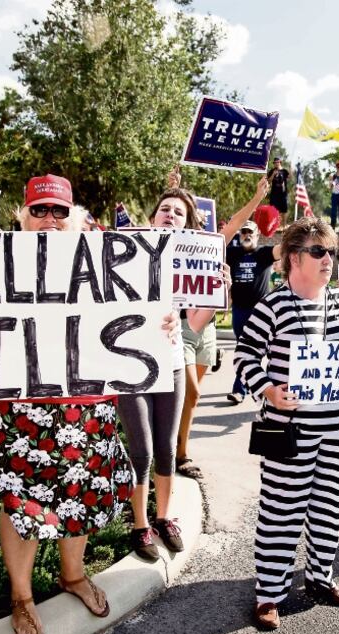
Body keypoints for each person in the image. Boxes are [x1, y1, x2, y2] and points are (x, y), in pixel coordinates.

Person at [0, 175, 151, 634]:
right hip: (19, 410)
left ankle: (72, 575)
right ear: (21, 217)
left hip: (84, 406)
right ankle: (22, 596)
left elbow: (133, 321)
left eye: (60, 212)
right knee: (22, 502)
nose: (50, 219)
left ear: (75, 221)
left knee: (81, 493)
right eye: (40, 210)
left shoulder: (102, 271)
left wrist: (159, 321)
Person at [235, 218, 339, 631]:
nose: (328, 259)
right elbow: (244, 358)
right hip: (287, 428)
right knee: (281, 510)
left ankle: (320, 579)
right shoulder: (272, 305)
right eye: (318, 252)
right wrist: (269, 390)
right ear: (294, 258)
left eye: (331, 252)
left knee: (327, 504)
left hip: (336, 427)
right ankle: (269, 594)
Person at [119, 186, 226, 560]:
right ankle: (140, 524)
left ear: (188, 224)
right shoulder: (126, 254)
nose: (169, 215)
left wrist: (215, 292)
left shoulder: (193, 266)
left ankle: (163, 517)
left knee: (166, 447)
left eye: (178, 212)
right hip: (129, 360)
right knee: (142, 449)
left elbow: (194, 323)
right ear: (152, 219)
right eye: (164, 209)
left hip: (173, 360)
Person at [177, 177, 268, 473]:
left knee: (190, 400)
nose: (200, 222)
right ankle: (170, 451)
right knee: (190, 392)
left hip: (208, 328)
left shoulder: (215, 242)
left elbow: (239, 220)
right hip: (180, 325)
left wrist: (257, 197)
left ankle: (181, 453)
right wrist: (176, 189)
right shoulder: (172, 241)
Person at [225, 216, 281, 405]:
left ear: (258, 235)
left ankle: (239, 390)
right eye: (244, 232)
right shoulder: (232, 253)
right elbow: (211, 246)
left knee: (257, 352)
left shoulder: (264, 254)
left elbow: (283, 249)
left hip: (261, 313)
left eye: (251, 232)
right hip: (239, 311)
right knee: (244, 350)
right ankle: (251, 386)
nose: (247, 235)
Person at [266, 157, 290, 226]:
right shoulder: (272, 171)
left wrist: (291, 168)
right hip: (274, 194)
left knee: (284, 210)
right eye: (274, 163)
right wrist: (273, 174)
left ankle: (284, 225)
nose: (276, 164)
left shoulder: (284, 171)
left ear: (280, 162)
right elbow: (269, 181)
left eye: (277, 162)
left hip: (283, 194)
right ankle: (274, 225)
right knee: (273, 210)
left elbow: (290, 177)